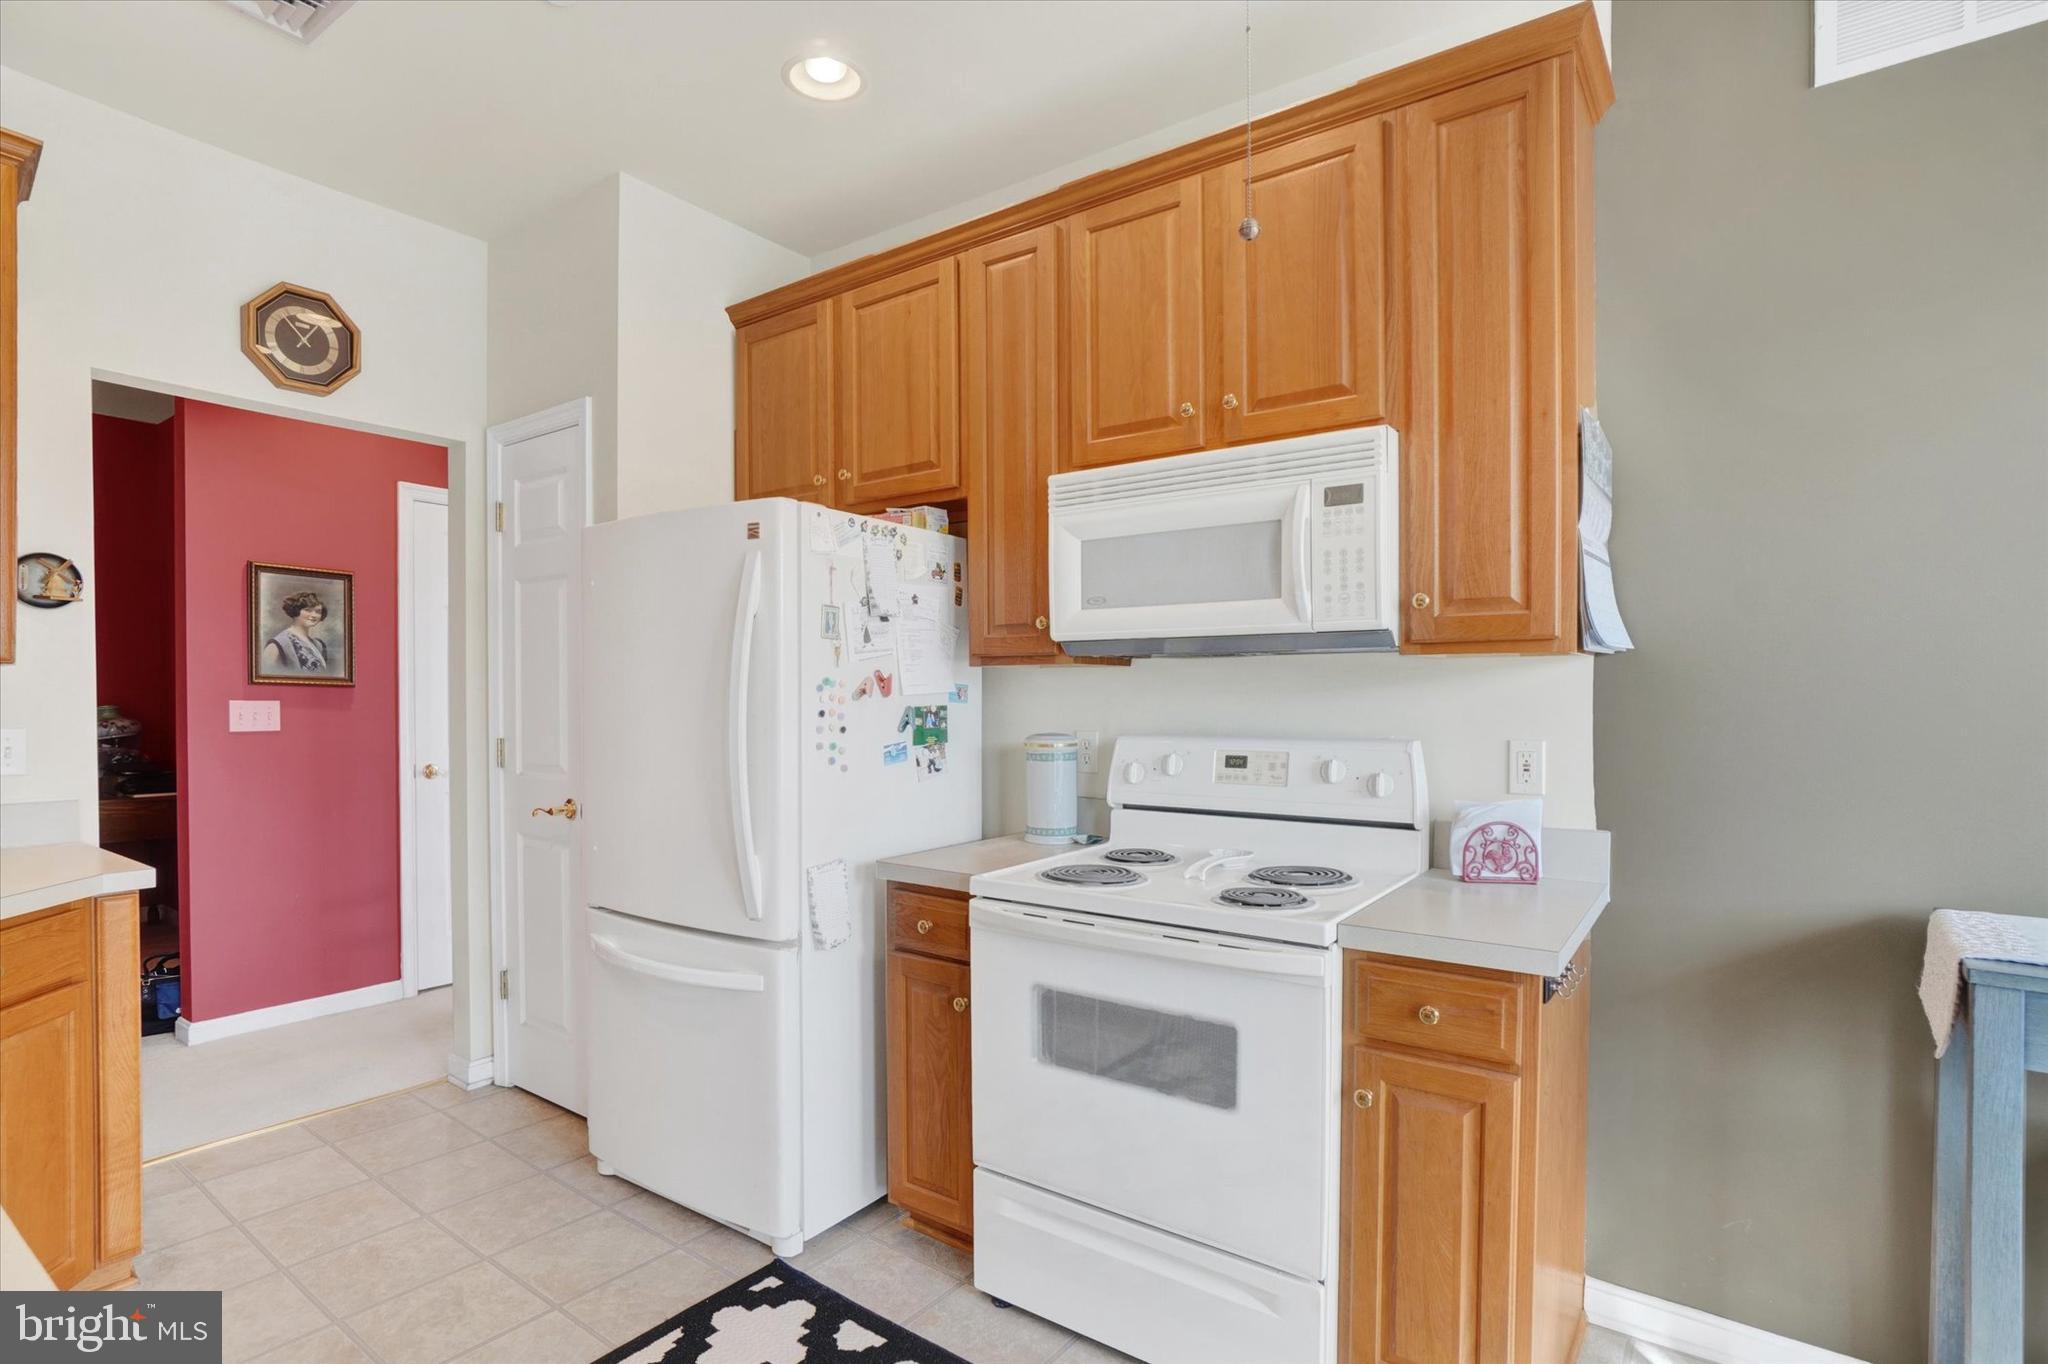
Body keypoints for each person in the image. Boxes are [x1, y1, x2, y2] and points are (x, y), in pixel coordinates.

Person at [263, 590, 330, 674]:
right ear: (296, 611)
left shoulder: (319, 645)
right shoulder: (278, 643)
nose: (314, 615)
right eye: (308, 610)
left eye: (318, 611)